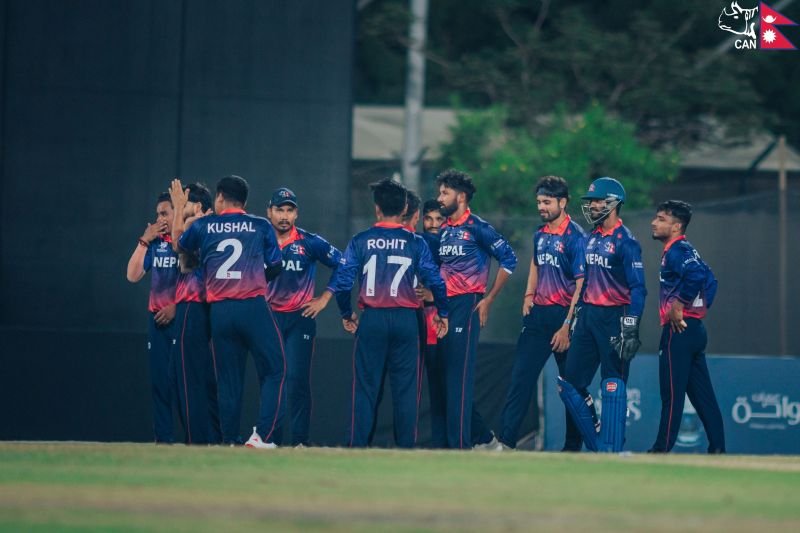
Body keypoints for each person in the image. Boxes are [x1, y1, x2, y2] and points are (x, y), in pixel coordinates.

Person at [333, 178, 449, 448]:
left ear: (377, 209)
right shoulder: (416, 242)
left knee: (365, 388)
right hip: (407, 320)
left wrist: (346, 313)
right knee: (406, 390)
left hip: (373, 318)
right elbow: (436, 280)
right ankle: (405, 450)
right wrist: (443, 312)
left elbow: (343, 283)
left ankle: (356, 447)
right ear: (405, 208)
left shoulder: (361, 240)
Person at [177, 175, 285, 448]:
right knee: (276, 369)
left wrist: (184, 215)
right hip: (252, 306)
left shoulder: (203, 225)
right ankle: (262, 436)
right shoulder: (260, 225)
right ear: (244, 201)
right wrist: (256, 278)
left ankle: (229, 441)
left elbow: (181, 246)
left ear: (220, 197)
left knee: (228, 380)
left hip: (220, 311)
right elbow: (276, 265)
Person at [495, 176, 586, 451]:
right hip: (538, 317)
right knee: (520, 379)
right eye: (539, 202)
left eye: (547, 202)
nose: (541, 207)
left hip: (564, 318)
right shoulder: (540, 233)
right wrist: (528, 295)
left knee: (571, 386)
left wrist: (567, 326)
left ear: (563, 202)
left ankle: (573, 447)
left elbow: (582, 283)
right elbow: (535, 264)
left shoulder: (576, 237)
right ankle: (506, 442)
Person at [558, 177, 646, 453]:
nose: (593, 206)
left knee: (613, 385)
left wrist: (631, 326)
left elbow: (638, 288)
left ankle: (613, 447)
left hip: (615, 317)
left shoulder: (626, 242)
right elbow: (584, 282)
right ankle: (597, 439)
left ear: (613, 204)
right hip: (588, 316)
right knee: (571, 382)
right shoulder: (590, 238)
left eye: (598, 201)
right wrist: (575, 318)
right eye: (592, 201)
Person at [435, 169, 517, 449]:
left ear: (461, 196)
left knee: (458, 379)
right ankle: (483, 439)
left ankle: (459, 446)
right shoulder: (444, 230)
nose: (439, 198)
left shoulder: (478, 227)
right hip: (444, 309)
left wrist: (489, 299)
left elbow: (509, 259)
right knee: (448, 380)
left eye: (444, 193)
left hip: (467, 304)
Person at [265, 187, 342, 447]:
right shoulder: (260, 241)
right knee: (272, 379)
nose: (284, 216)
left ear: (296, 214)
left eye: (289, 210)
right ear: (269, 212)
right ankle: (270, 439)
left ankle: (300, 441)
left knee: (296, 379)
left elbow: (344, 264)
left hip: (300, 319)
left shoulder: (309, 242)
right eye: (279, 210)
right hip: (268, 318)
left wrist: (325, 298)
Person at [648, 200, 725, 454]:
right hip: (694, 329)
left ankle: (661, 450)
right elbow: (710, 280)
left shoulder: (676, 251)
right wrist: (698, 309)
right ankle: (718, 449)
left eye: (661, 219)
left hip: (678, 331)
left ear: (676, 226)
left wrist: (680, 305)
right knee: (703, 397)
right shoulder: (687, 249)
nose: (654, 223)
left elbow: (697, 275)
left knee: (671, 394)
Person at [168, 179, 221, 445]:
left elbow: (179, 248)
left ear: (198, 206)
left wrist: (179, 209)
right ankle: (215, 438)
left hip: (193, 305)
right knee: (209, 380)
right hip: (216, 308)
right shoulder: (218, 226)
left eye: (185, 203)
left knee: (188, 379)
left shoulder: (197, 223)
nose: (179, 208)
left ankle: (196, 442)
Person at [126, 191, 179, 444]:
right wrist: (144, 241)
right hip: (157, 322)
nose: (160, 219)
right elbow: (132, 276)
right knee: (160, 384)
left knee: (187, 385)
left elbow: (201, 282)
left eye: (165, 213)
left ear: (177, 213)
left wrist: (176, 307)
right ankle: (164, 441)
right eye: (158, 214)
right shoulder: (156, 243)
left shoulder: (188, 240)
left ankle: (198, 441)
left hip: (183, 320)